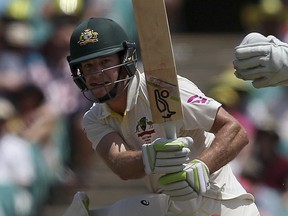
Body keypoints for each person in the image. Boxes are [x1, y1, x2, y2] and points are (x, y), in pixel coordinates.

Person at [64, 17, 259, 215]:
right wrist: (150, 157)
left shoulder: (161, 89)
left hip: (221, 204)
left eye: (105, 62)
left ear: (125, 60)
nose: (97, 73)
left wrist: (201, 167)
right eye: (88, 66)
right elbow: (120, 164)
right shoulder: (95, 118)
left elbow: (236, 131)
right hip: (174, 206)